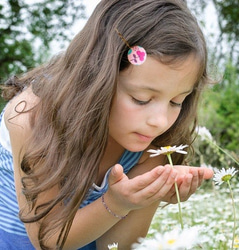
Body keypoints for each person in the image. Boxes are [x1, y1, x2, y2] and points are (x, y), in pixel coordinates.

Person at [0, 0, 214, 249]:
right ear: (96, 78)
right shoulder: (33, 115)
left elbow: (114, 246)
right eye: (140, 99)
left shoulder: (159, 141)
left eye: (177, 101)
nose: (160, 121)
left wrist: (148, 195)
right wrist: (116, 203)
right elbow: (48, 241)